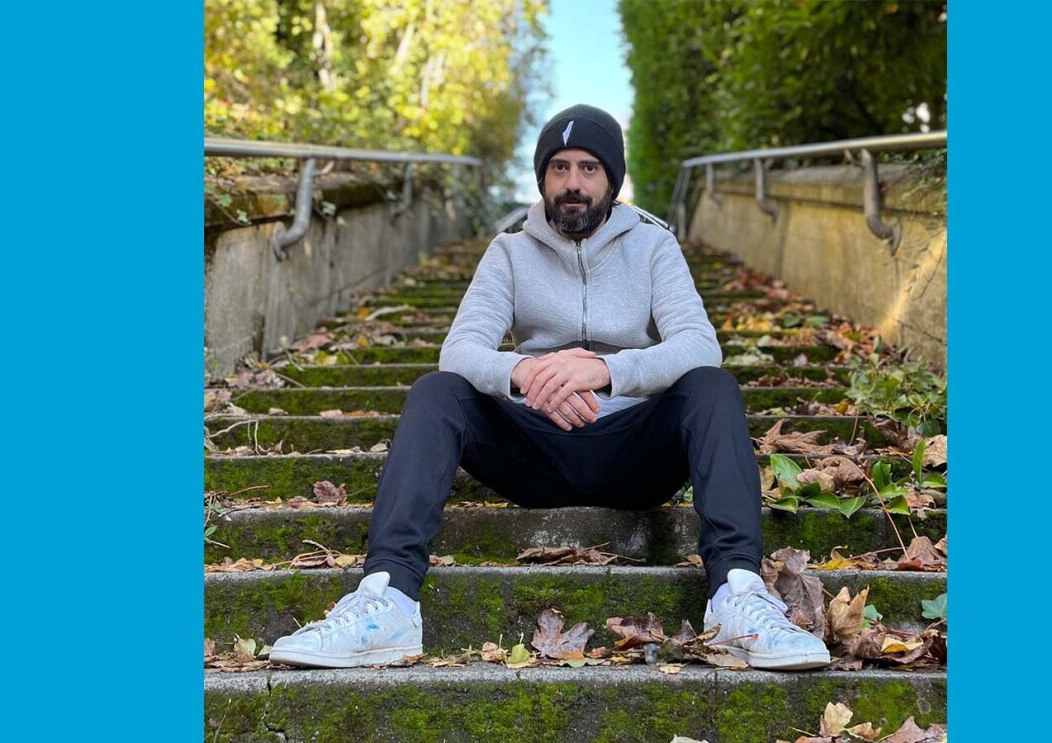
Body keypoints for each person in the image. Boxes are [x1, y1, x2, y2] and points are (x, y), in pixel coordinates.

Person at [268, 104, 831, 671]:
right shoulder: (508, 252)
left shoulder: (655, 246)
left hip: (635, 451)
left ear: (612, 179)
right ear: (541, 178)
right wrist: (525, 373)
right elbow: (459, 349)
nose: (573, 184)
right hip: (535, 446)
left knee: (712, 387)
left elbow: (698, 344)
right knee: (436, 392)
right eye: (559, 168)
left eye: (589, 168)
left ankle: (736, 596)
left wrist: (607, 371)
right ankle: (386, 602)